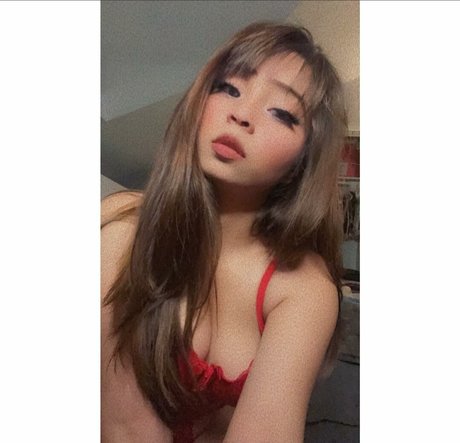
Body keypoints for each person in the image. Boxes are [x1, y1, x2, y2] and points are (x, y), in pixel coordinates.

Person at [101, 21, 347, 443]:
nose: (242, 114)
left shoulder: (303, 288)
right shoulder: (123, 229)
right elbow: (124, 428)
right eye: (229, 88)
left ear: (303, 161)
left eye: (281, 113)